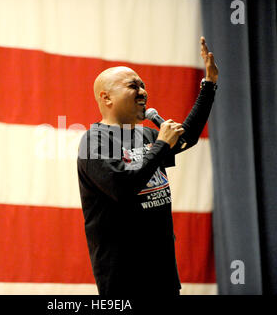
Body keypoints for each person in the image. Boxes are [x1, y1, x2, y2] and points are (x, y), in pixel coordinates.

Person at [77, 37, 218, 296]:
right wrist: (162, 145)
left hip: (162, 272)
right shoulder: (94, 141)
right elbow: (123, 187)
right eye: (133, 86)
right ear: (106, 98)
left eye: (143, 85)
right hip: (125, 278)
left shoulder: (146, 136)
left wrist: (209, 85)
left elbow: (186, 138)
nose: (143, 91)